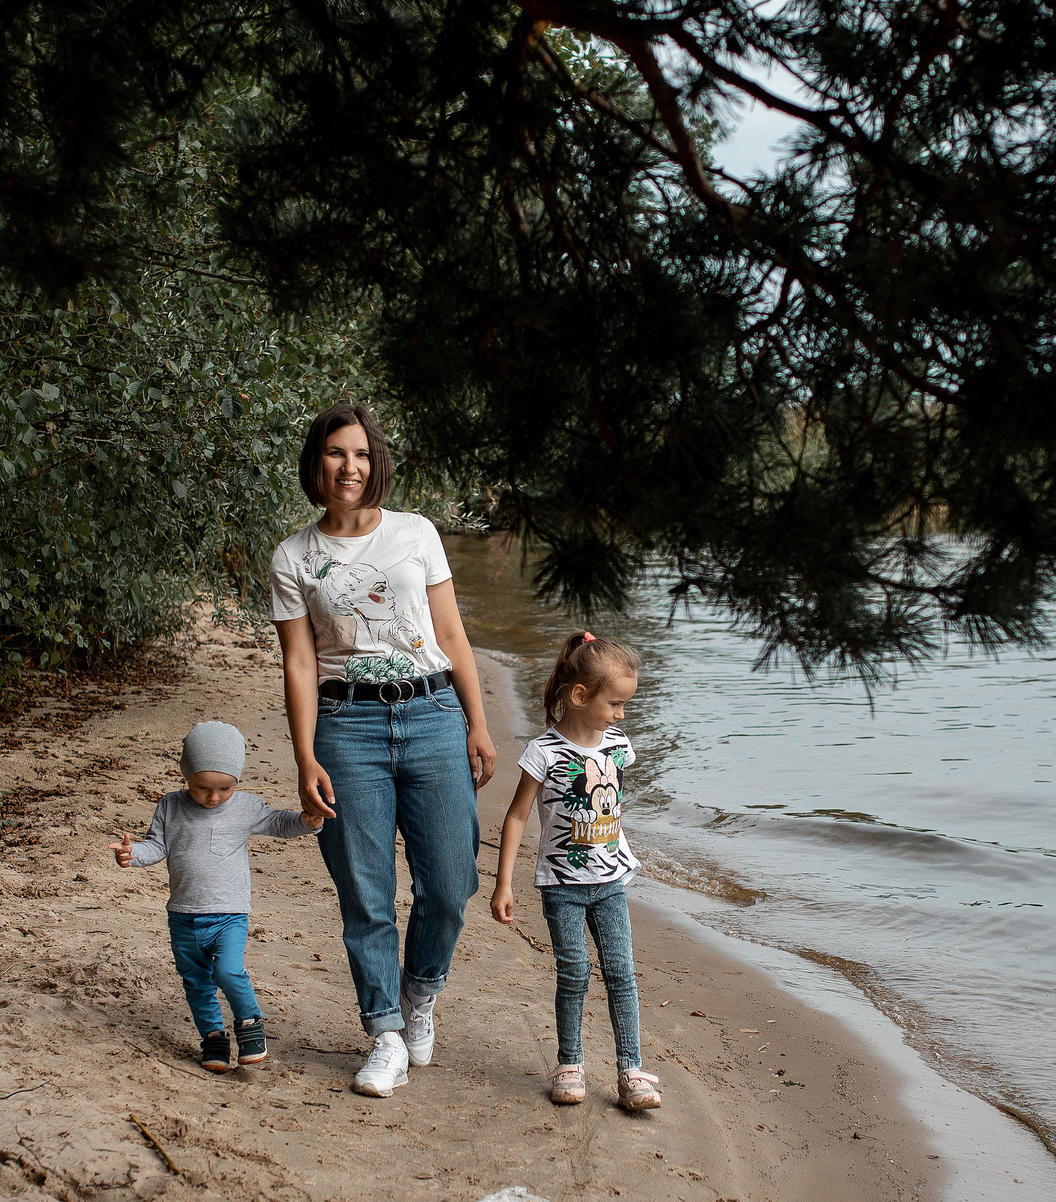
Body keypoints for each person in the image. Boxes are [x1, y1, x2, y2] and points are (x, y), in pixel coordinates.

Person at [270, 401, 498, 1098]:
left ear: (377, 463)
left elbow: (452, 634)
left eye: (362, 453)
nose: (350, 466)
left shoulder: (416, 533)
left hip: (431, 714)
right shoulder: (293, 557)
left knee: (452, 885)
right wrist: (305, 756)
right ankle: (386, 1034)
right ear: (317, 462)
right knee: (365, 894)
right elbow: (301, 665)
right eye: (337, 453)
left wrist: (477, 722)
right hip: (347, 729)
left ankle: (420, 993)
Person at [491, 632, 663, 1110]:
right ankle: (570, 1064)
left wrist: (616, 850)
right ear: (580, 695)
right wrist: (504, 883)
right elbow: (517, 816)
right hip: (562, 886)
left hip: (610, 882)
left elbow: (614, 806)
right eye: (615, 704)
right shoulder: (543, 752)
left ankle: (631, 1069)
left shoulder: (617, 745)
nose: (621, 714)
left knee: (622, 973)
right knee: (574, 973)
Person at [112, 720, 323, 1072]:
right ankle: (212, 1037)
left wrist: (308, 821)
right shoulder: (170, 806)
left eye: (224, 788)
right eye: (202, 787)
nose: (213, 797)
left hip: (229, 916)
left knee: (228, 971)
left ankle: (249, 1022)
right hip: (182, 915)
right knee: (195, 981)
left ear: (236, 781)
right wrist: (132, 855)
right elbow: (156, 846)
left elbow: (278, 823)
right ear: (186, 775)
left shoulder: (244, 807)